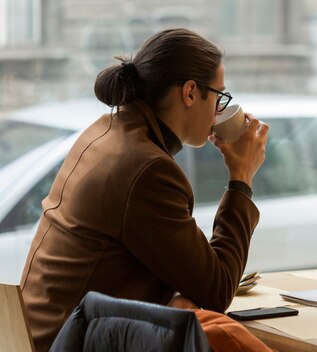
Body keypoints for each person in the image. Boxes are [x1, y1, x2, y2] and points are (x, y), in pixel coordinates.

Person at [20, 28, 269, 351]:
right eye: (219, 96)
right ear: (191, 93)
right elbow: (218, 290)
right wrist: (241, 178)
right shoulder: (147, 169)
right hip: (70, 343)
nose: (220, 111)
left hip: (38, 336)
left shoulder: (107, 132)